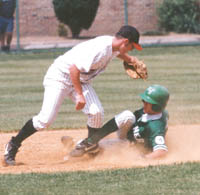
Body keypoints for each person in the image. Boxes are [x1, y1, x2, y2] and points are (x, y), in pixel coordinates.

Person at [3, 25, 143, 166]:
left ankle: (90, 146)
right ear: (125, 41)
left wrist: (130, 59)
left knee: (96, 112)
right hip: (60, 77)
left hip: (80, 79)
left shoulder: (114, 45)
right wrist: (80, 96)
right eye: (132, 47)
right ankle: (13, 144)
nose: (131, 49)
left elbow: (117, 53)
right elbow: (73, 69)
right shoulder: (100, 50)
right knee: (45, 120)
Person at [70, 84, 170, 159]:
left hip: (131, 145)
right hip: (129, 135)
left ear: (156, 106)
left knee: (99, 147)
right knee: (127, 115)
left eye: (147, 102)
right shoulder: (151, 111)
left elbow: (161, 151)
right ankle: (90, 141)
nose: (143, 103)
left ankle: (75, 143)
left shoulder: (155, 126)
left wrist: (143, 158)